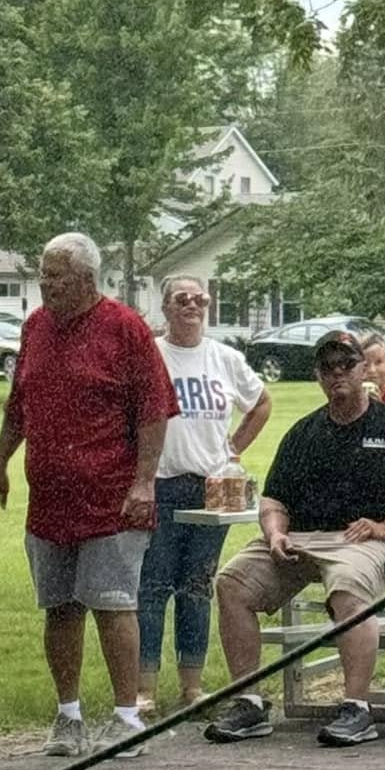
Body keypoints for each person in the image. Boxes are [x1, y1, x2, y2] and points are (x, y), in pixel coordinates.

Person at [0, 232, 178, 758]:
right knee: (59, 607)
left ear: (87, 278)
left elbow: (154, 410)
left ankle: (125, 718)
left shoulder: (125, 329)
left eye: (56, 276)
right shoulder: (36, 328)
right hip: (49, 499)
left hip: (112, 497)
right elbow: (17, 404)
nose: (45, 285)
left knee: (114, 604)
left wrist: (143, 481)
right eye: (43, 274)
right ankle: (67, 716)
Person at [202, 329, 385, 747]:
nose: (337, 375)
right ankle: (248, 701)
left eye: (346, 365)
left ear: (363, 368)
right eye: (327, 368)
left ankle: (356, 707)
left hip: (364, 539)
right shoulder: (303, 433)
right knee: (232, 583)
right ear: (317, 375)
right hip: (301, 538)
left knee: (348, 589)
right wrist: (275, 534)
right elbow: (274, 498)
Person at [137, 275, 271, 716]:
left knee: (197, 586)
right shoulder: (151, 355)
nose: (192, 306)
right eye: (182, 299)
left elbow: (261, 403)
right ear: (166, 308)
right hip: (161, 482)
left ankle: (192, 687)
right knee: (153, 585)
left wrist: (233, 447)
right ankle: (145, 690)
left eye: (200, 299)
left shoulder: (225, 358)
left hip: (213, 487)